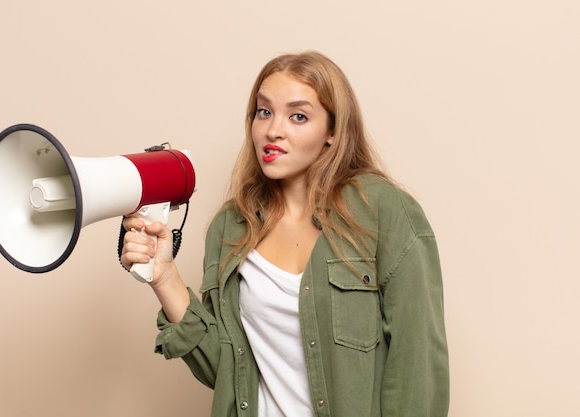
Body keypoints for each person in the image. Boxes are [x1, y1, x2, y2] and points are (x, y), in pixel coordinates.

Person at [120, 51, 449, 417]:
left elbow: (417, 366)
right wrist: (165, 278)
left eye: (298, 116)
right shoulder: (231, 227)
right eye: (264, 112)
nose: (273, 130)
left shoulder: (383, 212)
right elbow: (227, 372)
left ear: (333, 132)